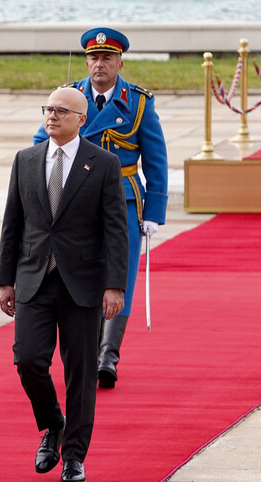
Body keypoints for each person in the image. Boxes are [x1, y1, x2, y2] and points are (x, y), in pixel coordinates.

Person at [0, 87, 128, 482]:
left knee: (81, 372)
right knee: (28, 360)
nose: (52, 116)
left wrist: (115, 285)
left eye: (61, 111)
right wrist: (5, 281)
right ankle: (53, 423)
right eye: (48, 109)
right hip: (34, 278)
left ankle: (73, 456)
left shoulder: (103, 163)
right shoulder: (26, 159)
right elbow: (12, 224)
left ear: (80, 119)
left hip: (83, 283)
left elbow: (116, 230)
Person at [32, 27, 168, 390]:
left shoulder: (138, 102)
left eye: (107, 58)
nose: (99, 65)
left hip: (123, 197)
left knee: (119, 273)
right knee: (80, 269)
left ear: (119, 62)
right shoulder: (68, 97)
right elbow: (40, 143)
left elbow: (156, 159)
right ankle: (87, 347)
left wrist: (155, 209)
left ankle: (109, 353)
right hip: (75, 198)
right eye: (93, 58)